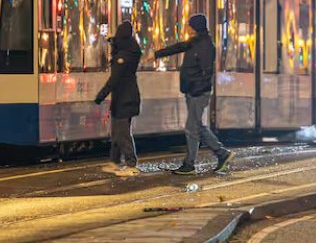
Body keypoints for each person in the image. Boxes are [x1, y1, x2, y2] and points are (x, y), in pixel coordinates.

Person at [152, 14, 234, 175]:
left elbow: (206, 72)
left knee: (191, 128)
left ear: (196, 27)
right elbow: (178, 47)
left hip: (198, 92)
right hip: (192, 90)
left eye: (190, 26)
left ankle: (190, 164)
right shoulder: (195, 42)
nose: (187, 28)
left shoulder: (205, 45)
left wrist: (197, 89)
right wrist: (157, 54)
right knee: (197, 126)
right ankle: (222, 154)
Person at [95, 20, 142, 177]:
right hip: (124, 98)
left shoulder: (122, 57)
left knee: (122, 133)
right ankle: (114, 162)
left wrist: (100, 96)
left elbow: (114, 79)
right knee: (116, 132)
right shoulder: (130, 51)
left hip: (124, 99)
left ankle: (131, 163)